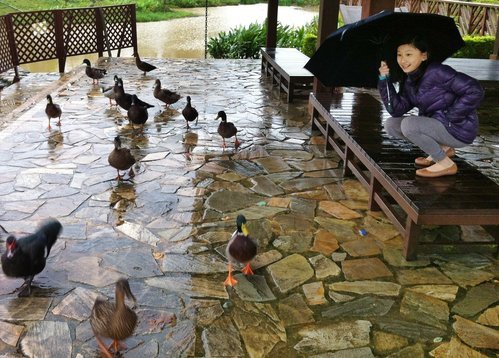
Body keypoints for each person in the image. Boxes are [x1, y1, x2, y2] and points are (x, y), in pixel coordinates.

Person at [378, 35, 484, 178]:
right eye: (399, 55)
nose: (403, 60)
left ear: (424, 56)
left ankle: (445, 164)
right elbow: (397, 110)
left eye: (409, 54)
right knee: (391, 125)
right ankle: (443, 149)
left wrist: (451, 116)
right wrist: (384, 80)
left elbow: (475, 90)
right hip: (440, 126)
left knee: (410, 125)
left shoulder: (438, 72)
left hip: (459, 128)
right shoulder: (409, 79)